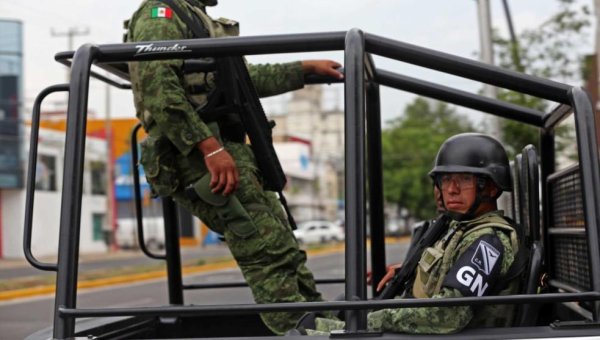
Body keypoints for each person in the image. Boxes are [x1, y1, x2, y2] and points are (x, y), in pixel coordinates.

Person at [125, 0, 343, 335]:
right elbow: (159, 89)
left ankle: (319, 323)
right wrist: (209, 149)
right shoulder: (161, 13)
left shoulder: (194, 17)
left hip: (224, 150)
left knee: (284, 249)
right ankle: (300, 329)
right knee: (265, 250)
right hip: (197, 155)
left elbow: (241, 80)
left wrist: (303, 68)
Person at [306, 133, 520, 335]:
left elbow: (447, 314)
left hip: (452, 336)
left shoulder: (488, 241)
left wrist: (373, 320)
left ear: (491, 188)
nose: (452, 189)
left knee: (321, 329)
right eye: (446, 179)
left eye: (464, 179)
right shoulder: (463, 228)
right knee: (314, 323)